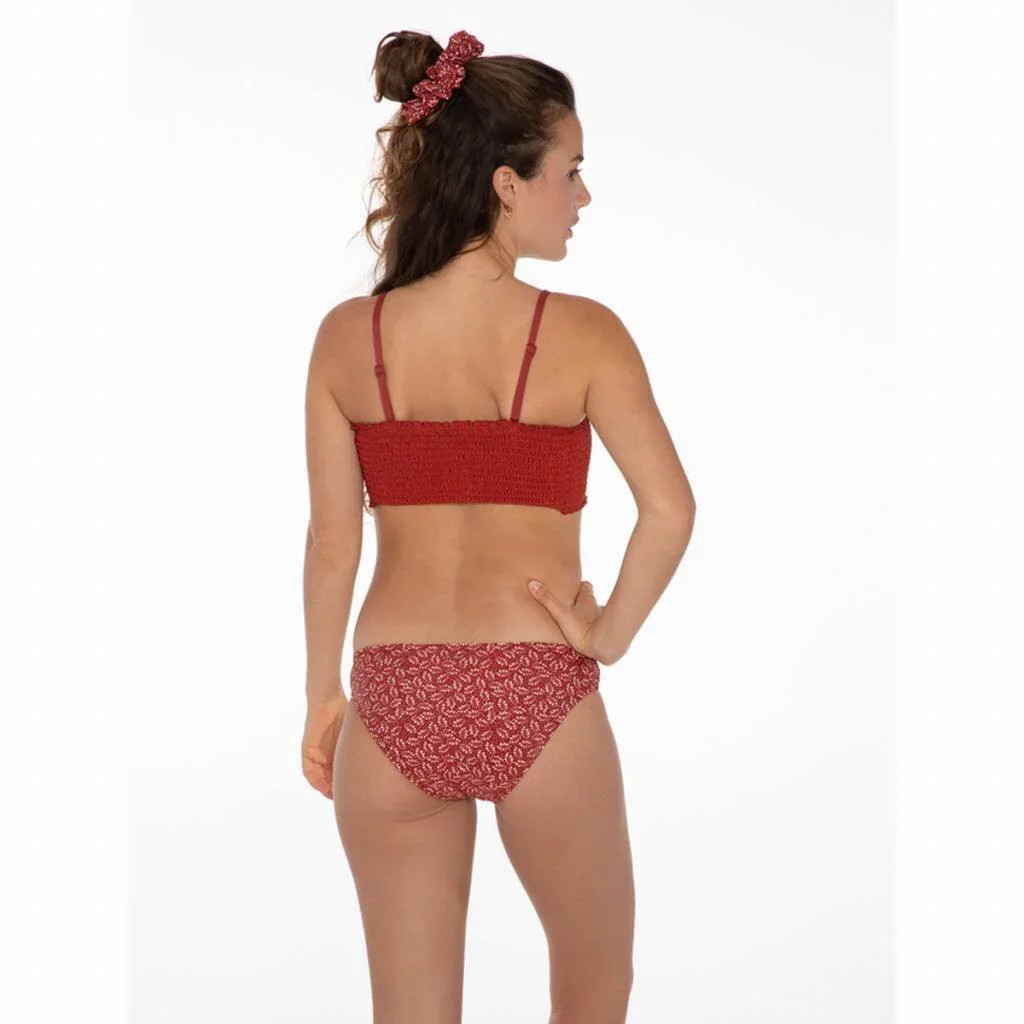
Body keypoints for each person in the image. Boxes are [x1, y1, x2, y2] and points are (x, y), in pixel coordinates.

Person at [301, 28, 696, 1024]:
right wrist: (606, 634)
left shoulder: (349, 339)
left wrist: (320, 698)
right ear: (507, 185)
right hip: (536, 689)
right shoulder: (584, 334)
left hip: (393, 696)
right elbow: (670, 510)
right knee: (595, 988)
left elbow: (333, 541)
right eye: (572, 170)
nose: (583, 197)